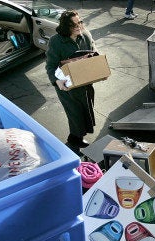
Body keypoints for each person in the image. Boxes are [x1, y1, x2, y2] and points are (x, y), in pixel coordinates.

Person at [46, 10, 97, 148]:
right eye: (73, 24)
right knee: (75, 115)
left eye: (79, 22)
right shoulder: (55, 42)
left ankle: (74, 136)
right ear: (65, 27)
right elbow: (50, 66)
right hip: (67, 88)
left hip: (85, 85)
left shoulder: (85, 35)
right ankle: (75, 140)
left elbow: (94, 52)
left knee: (85, 112)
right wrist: (57, 81)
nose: (78, 26)